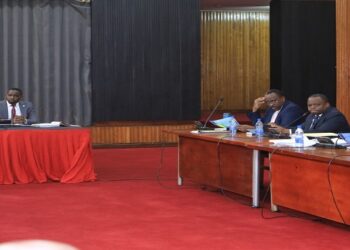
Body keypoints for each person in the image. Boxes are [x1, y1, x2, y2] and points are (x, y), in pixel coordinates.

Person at [270, 93, 350, 134]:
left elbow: (320, 132)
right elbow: (302, 128)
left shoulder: (335, 116)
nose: (312, 107)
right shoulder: (311, 115)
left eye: (317, 105)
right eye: (310, 105)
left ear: (327, 105)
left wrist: (287, 131)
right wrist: (281, 129)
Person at [238, 89, 304, 132]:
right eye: (268, 102)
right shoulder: (271, 109)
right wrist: (255, 108)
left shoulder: (291, 109)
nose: (271, 104)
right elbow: (258, 124)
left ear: (283, 98)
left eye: (273, 101)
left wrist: (252, 129)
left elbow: (282, 129)